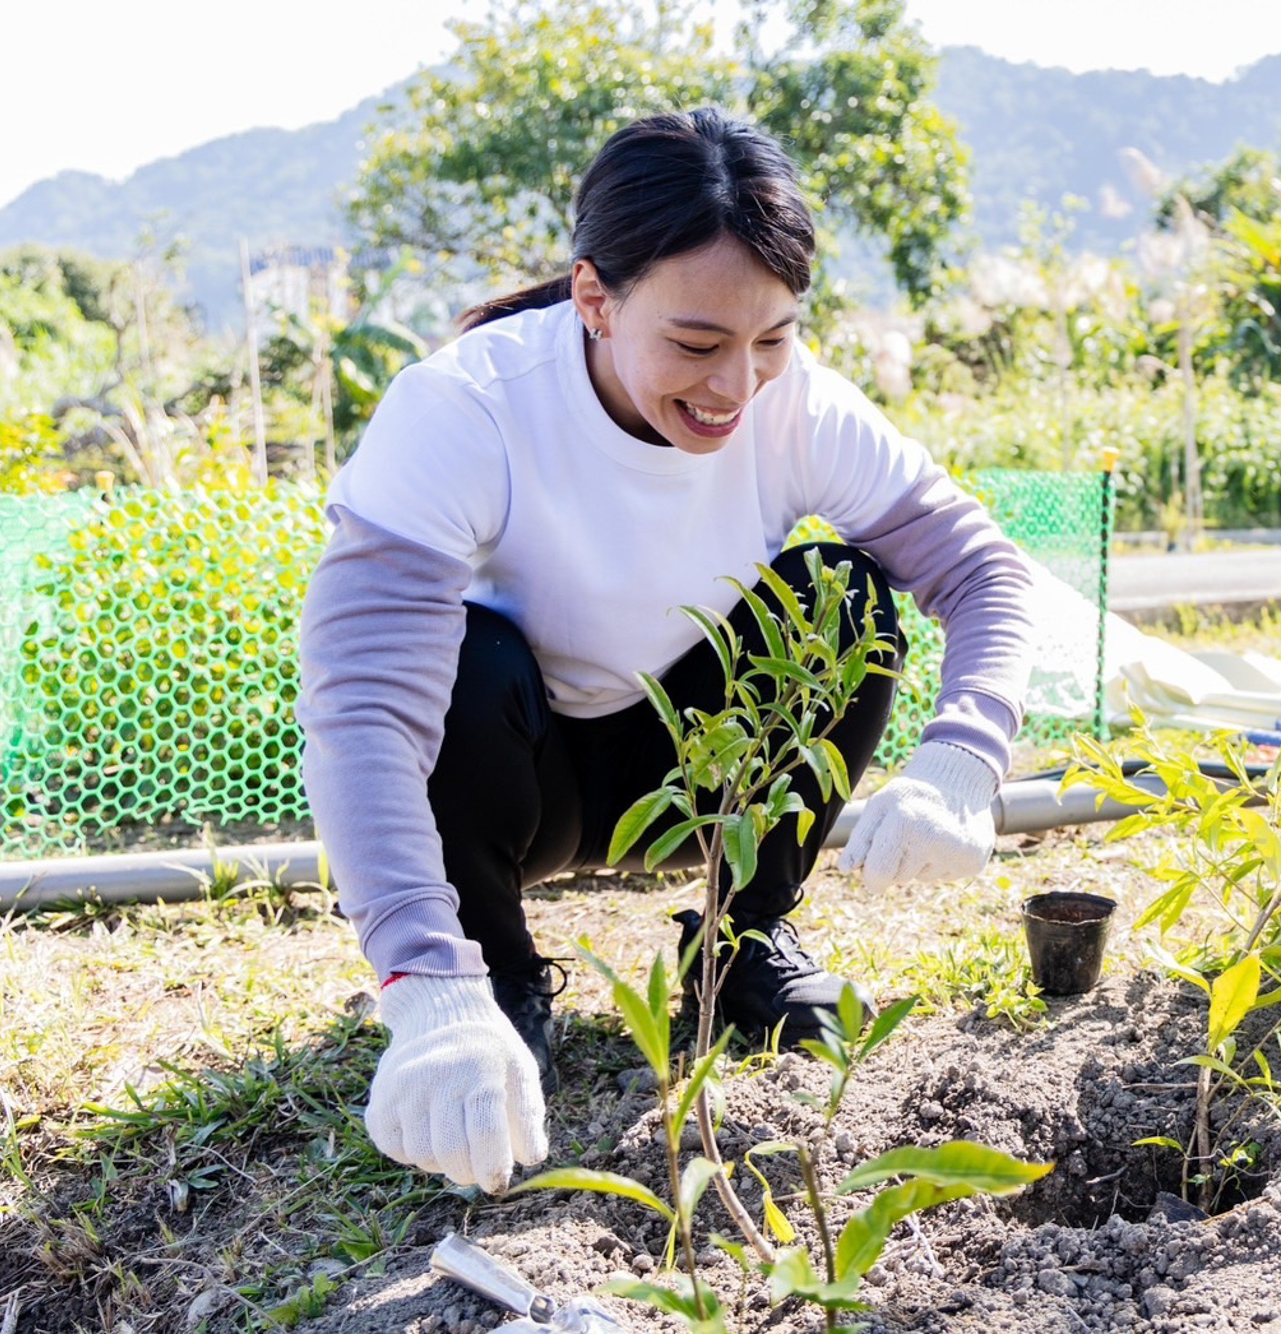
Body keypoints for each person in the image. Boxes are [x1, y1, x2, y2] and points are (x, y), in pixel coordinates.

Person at [297, 108, 1035, 1194]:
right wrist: (419, 981)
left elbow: (985, 573)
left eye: (773, 337)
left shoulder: (801, 410)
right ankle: (490, 982)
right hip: (516, 771)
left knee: (840, 596)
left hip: (694, 774)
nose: (735, 387)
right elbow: (362, 707)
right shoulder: (466, 409)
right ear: (594, 297)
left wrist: (963, 760)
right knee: (454, 655)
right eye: (695, 344)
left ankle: (738, 948)